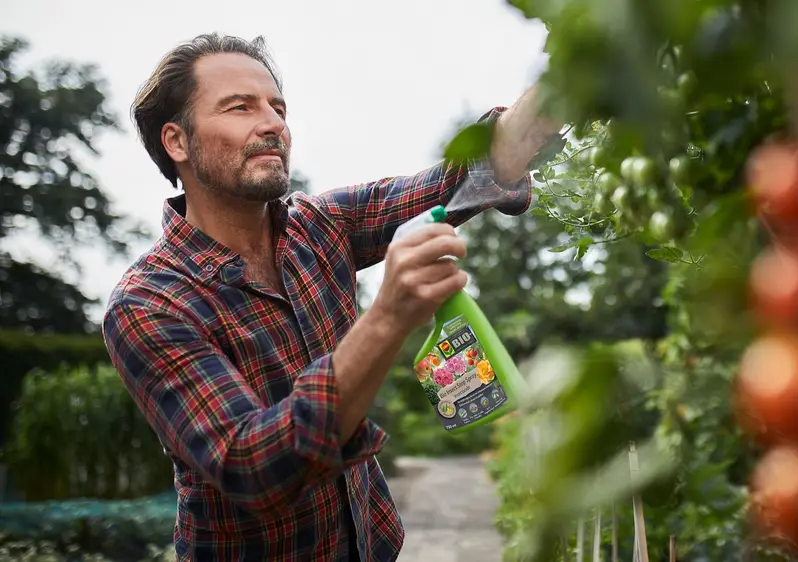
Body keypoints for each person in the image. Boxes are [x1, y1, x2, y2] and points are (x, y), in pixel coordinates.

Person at [101, 33, 562, 561]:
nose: (273, 123)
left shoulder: (319, 227)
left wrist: (569, 79)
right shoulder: (149, 304)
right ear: (177, 142)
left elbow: (458, 179)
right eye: (239, 108)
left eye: (278, 107)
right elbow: (251, 466)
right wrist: (386, 318)